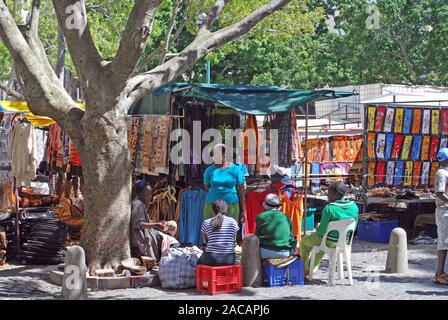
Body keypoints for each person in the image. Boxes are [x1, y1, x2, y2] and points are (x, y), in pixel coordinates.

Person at [300, 181, 359, 278]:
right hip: (344, 242)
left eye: (329, 193)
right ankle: (309, 271)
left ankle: (305, 267)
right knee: (319, 250)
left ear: (337, 194)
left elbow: (321, 232)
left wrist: (318, 228)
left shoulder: (329, 208)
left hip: (328, 240)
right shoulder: (354, 207)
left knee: (304, 243)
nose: (327, 196)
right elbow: (354, 226)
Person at [130, 180, 178, 261]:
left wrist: (157, 221)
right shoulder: (138, 204)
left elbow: (144, 221)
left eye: (150, 194)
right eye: (148, 194)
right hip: (141, 240)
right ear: (140, 194)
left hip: (146, 237)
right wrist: (156, 225)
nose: (150, 196)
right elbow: (138, 224)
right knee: (172, 243)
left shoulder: (140, 204)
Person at [203, 144, 246, 224]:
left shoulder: (236, 170)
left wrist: (243, 211)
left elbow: (241, 191)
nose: (214, 157)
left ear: (225, 155)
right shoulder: (209, 170)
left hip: (231, 206)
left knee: (229, 233)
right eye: (213, 155)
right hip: (212, 207)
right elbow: (206, 187)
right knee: (210, 233)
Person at [198, 199, 239, 266]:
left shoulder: (206, 222)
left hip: (211, 259)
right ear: (226, 210)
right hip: (229, 259)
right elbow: (234, 241)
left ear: (212, 211)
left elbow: (205, 242)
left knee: (198, 263)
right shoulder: (233, 222)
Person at [255, 194, 297, 259]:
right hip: (285, 253)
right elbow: (290, 237)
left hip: (265, 252)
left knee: (250, 240)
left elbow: (257, 236)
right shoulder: (286, 217)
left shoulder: (260, 217)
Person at [433, 148, 448, 285]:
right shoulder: (442, 173)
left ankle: (441, 273)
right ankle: (440, 273)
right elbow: (439, 192)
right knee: (444, 243)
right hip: (444, 212)